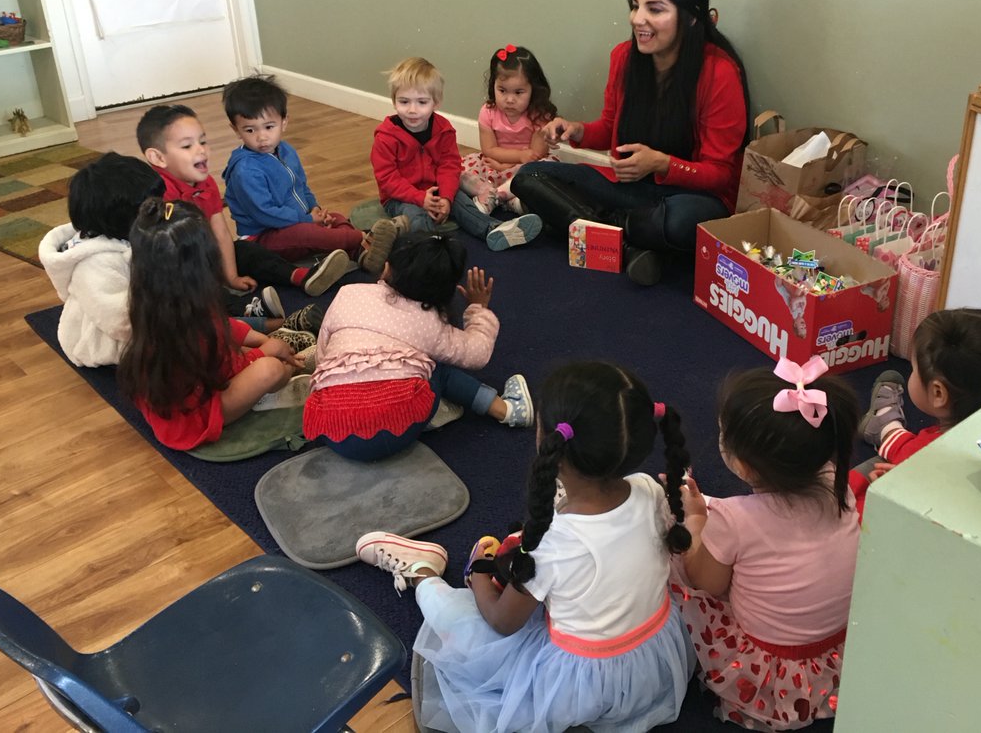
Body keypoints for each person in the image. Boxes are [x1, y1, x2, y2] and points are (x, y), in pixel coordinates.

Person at [355, 361, 696, 732]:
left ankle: (422, 575)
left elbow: (503, 622)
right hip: (652, 662)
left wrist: (478, 573)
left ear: (547, 441)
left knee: (462, 622)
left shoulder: (554, 544)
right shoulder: (649, 489)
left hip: (579, 684)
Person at [511, 0, 750, 285]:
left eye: (655, 9)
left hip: (687, 198)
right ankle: (627, 246)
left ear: (692, 18)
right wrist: (577, 130)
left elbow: (722, 174)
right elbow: (610, 129)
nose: (638, 19)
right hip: (629, 189)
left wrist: (662, 164)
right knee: (529, 176)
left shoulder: (719, 73)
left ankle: (589, 226)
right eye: (635, 6)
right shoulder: (623, 57)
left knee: (680, 222)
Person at [672, 356, 861, 730]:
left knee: (674, 557)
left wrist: (695, 519)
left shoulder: (734, 518)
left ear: (744, 466)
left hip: (768, 669)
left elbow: (706, 582)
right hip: (837, 649)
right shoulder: (837, 481)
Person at [38, 152, 295, 367]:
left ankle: (266, 328)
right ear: (123, 219)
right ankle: (255, 345)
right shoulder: (92, 265)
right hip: (115, 340)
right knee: (198, 338)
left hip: (158, 316)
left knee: (203, 308)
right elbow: (122, 322)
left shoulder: (128, 236)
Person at [303, 231, 534, 461]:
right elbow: (477, 353)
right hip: (397, 429)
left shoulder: (348, 293)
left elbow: (324, 353)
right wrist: (478, 309)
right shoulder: (431, 323)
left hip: (331, 432)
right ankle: (507, 410)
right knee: (438, 368)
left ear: (386, 268)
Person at [117, 198, 310, 451]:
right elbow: (220, 369)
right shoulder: (182, 334)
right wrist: (264, 353)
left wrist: (261, 340)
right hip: (196, 419)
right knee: (271, 370)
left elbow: (220, 324)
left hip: (202, 382)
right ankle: (288, 373)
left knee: (257, 349)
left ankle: (279, 351)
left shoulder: (158, 303)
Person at [851, 285, 981, 515]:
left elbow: (867, 520)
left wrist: (881, 490)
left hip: (885, 516)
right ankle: (885, 427)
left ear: (938, 394)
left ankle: (886, 427)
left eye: (914, 369)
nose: (911, 375)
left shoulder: (925, 458)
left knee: (853, 479)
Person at [137, 104, 349, 297]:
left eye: (202, 141)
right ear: (158, 158)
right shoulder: (157, 193)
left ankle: (302, 276)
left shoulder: (206, 183)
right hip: (176, 268)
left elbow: (220, 230)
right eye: (187, 146)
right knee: (205, 300)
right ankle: (251, 314)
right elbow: (164, 253)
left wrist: (231, 277)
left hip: (205, 254)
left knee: (247, 252)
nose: (201, 149)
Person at [221, 73, 397, 274]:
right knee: (307, 234)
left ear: (284, 122)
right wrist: (307, 220)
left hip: (296, 219)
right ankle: (364, 237)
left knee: (335, 217)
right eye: (250, 130)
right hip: (263, 236)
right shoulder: (245, 170)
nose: (262, 137)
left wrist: (316, 210)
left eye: (269, 127)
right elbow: (266, 214)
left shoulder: (286, 150)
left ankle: (358, 253)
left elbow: (301, 186)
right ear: (236, 130)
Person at [371, 57, 542, 252]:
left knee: (462, 202)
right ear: (394, 101)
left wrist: (446, 197)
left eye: (421, 102)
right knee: (415, 216)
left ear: (436, 102)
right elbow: (387, 179)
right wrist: (419, 198)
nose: (412, 109)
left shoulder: (444, 130)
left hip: (436, 189)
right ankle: (431, 247)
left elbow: (450, 166)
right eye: (404, 101)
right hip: (401, 197)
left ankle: (493, 228)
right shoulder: (386, 137)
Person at [460, 44, 556, 216]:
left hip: (525, 168)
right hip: (493, 165)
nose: (509, 99)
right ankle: (498, 195)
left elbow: (535, 155)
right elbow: (488, 149)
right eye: (502, 90)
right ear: (493, 85)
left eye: (519, 92)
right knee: (457, 168)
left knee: (547, 168)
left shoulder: (540, 115)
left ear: (533, 89)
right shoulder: (488, 112)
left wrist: (507, 164)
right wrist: (508, 161)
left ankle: (498, 197)